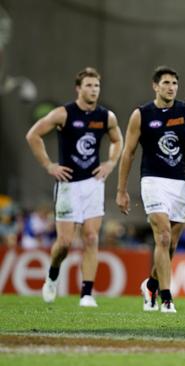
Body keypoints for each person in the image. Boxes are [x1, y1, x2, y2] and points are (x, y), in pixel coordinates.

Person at [116, 66, 185, 313]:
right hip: (153, 181)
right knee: (164, 236)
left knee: (170, 246)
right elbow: (128, 152)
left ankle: (151, 284)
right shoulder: (142, 115)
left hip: (179, 183)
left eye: (174, 83)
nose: (171, 87)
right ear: (155, 86)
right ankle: (166, 298)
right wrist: (121, 190)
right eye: (166, 82)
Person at [25, 67, 123, 307]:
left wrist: (110, 163)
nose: (93, 90)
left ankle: (87, 294)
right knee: (65, 243)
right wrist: (49, 165)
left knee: (91, 237)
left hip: (93, 183)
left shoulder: (105, 116)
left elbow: (117, 140)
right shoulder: (64, 113)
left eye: (96, 86)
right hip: (68, 185)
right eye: (89, 85)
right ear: (78, 89)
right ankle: (52, 275)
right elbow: (33, 135)